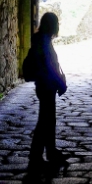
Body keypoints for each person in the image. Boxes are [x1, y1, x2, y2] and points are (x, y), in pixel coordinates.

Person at [29, 12, 67, 168]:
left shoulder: (41, 39)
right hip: (46, 85)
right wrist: (59, 82)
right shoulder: (43, 41)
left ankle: (50, 151)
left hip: (44, 84)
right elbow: (48, 65)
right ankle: (36, 156)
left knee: (48, 120)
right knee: (45, 121)